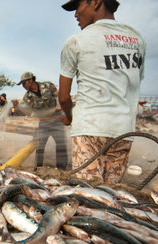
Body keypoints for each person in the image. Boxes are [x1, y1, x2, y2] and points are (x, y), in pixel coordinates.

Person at [58, 0, 146, 184]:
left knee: (88, 196)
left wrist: (69, 117)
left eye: (78, 7)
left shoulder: (76, 41)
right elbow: (132, 84)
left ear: (96, 2)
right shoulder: (137, 39)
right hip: (124, 131)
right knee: (110, 194)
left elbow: (64, 97)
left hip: (89, 130)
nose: (75, 14)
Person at [17, 72, 69, 170]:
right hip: (44, 122)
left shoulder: (48, 85)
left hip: (57, 120)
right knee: (40, 145)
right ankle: (38, 167)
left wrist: (60, 106)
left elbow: (58, 96)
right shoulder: (27, 97)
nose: (23, 86)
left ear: (30, 80)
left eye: (24, 83)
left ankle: (62, 168)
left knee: (60, 144)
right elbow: (34, 112)